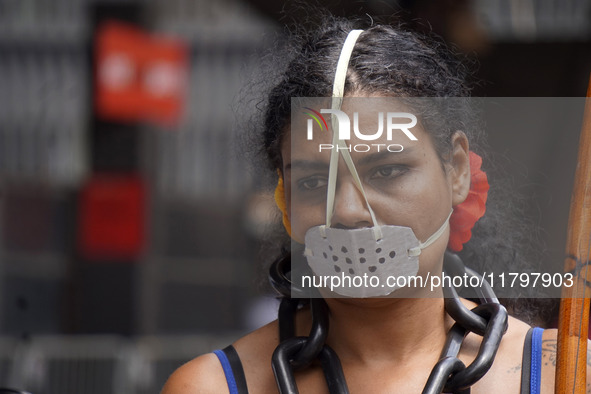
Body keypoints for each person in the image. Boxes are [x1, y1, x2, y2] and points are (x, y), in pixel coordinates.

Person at [162, 16, 574, 393]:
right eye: (313, 181)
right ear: (284, 197)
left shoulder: (565, 375)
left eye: (387, 171)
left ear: (458, 172)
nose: (347, 211)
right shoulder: (209, 387)